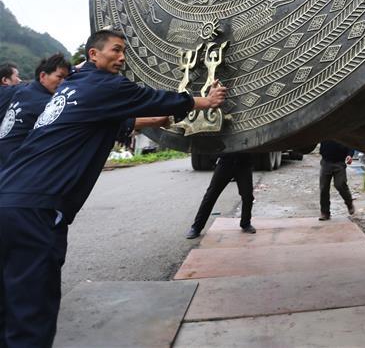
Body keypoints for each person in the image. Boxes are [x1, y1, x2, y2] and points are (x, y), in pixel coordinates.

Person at [0, 28, 226, 348]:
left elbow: (121, 120)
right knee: (31, 313)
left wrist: (155, 121)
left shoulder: (74, 89)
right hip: (36, 209)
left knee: (8, 304)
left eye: (124, 52)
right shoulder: (105, 85)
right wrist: (207, 101)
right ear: (93, 54)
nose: (121, 57)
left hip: (7, 199)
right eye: (115, 50)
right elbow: (156, 97)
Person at [0, 54, 71, 167]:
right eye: (60, 77)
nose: (64, 82)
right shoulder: (44, 102)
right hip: (13, 165)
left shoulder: (23, 92)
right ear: (42, 76)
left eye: (66, 78)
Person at [186, 152, 255, 239]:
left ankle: (246, 224)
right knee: (210, 196)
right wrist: (214, 158)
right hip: (225, 162)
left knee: (247, 196)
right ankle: (196, 227)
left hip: (244, 163)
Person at [318, 140, 355, 220]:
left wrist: (350, 155)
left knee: (340, 184)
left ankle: (349, 203)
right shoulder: (323, 128)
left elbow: (352, 143)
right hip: (326, 162)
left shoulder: (342, 129)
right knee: (323, 187)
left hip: (340, 163)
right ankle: (325, 213)